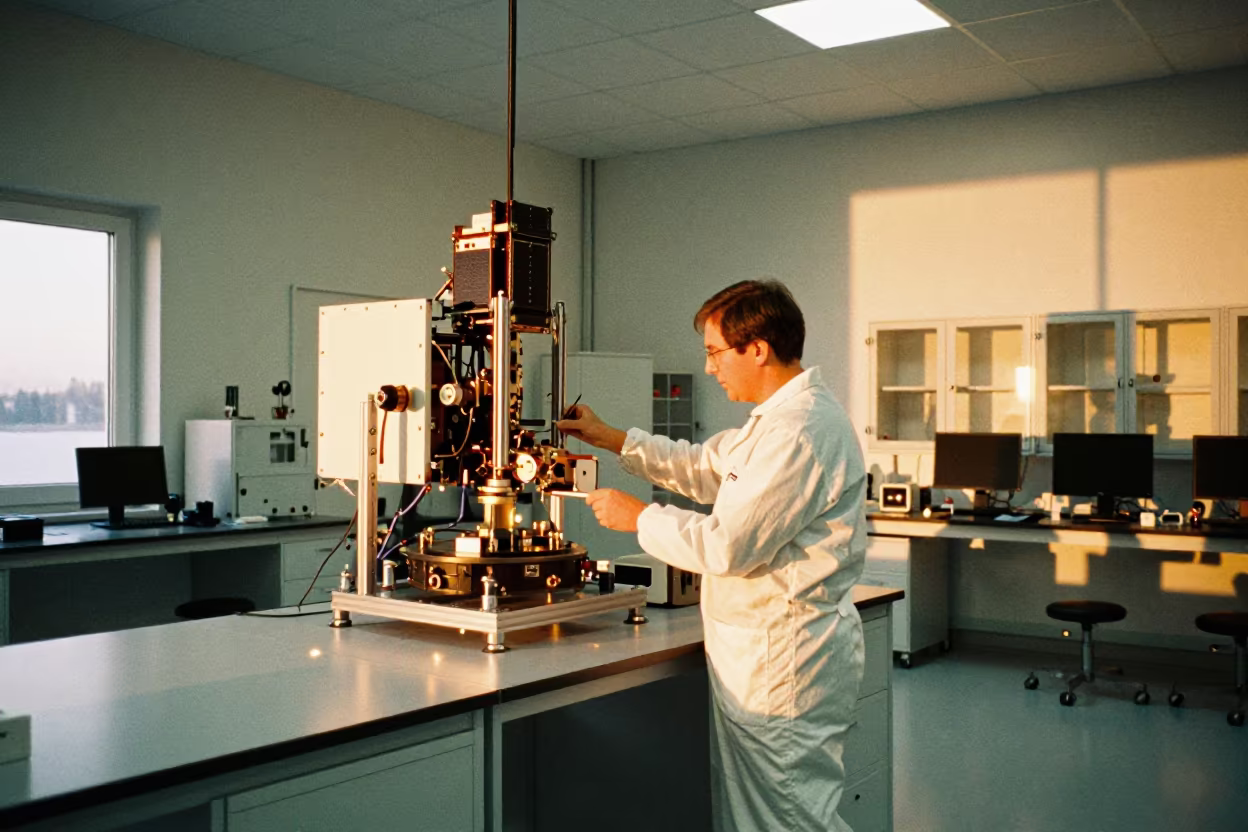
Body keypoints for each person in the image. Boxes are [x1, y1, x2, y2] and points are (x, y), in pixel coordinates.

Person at [556, 279, 868, 832]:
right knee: (760, 814)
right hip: (762, 657)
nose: (709, 368)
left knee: (786, 818)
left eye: (715, 352)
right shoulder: (774, 422)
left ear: (758, 348)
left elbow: (728, 547)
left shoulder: (799, 431)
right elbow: (703, 466)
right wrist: (610, 437)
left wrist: (640, 518)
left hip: (784, 663)